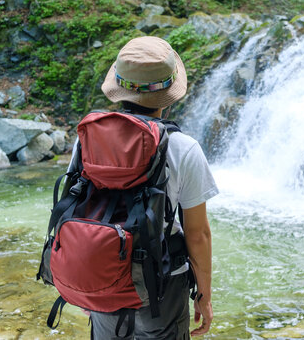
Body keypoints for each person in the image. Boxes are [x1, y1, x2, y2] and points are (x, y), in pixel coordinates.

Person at [76, 36, 218, 339]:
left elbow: (78, 209)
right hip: (163, 284)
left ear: (120, 89)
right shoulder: (184, 148)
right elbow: (198, 233)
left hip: (102, 270)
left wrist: (86, 280)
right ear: (169, 96)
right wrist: (203, 296)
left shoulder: (87, 139)